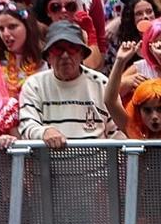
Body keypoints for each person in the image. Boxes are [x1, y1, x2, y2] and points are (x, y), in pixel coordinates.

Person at [16, 18, 109, 147]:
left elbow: (116, 132)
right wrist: (44, 132)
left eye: (72, 48)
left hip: (97, 164)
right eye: (58, 49)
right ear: (48, 57)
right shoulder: (34, 85)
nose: (65, 55)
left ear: (82, 54)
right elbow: (27, 125)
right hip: (49, 165)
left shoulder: (101, 83)